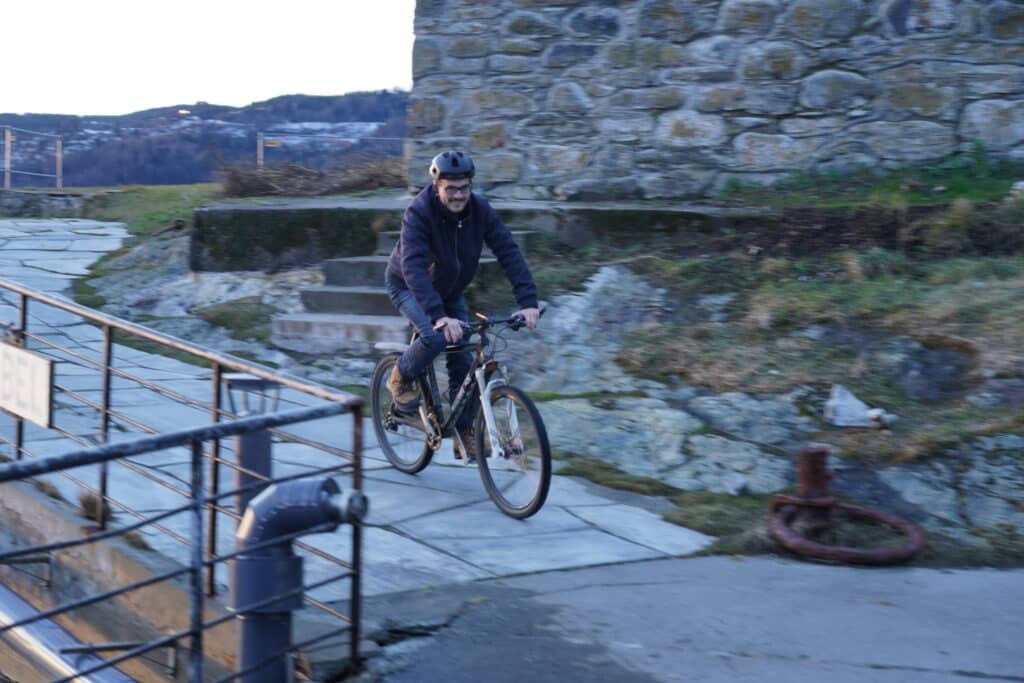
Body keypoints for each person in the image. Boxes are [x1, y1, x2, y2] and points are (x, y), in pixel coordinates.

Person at [385, 150, 540, 460]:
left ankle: (463, 428)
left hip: (450, 289)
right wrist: (438, 316)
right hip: (408, 286)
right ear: (437, 185)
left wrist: (528, 302)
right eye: (451, 189)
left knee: (464, 352)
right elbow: (414, 267)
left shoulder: (480, 210)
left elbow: (508, 251)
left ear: (471, 185)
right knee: (435, 336)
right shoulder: (419, 213)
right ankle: (400, 376)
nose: (458, 195)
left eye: (464, 188)